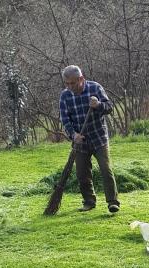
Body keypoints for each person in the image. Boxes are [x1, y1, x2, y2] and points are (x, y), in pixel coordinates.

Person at [59, 65, 120, 213]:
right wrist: (74, 135)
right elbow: (65, 120)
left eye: (72, 83)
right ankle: (89, 202)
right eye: (66, 83)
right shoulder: (65, 96)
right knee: (82, 173)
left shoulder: (95, 88)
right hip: (80, 141)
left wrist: (98, 104)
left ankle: (113, 202)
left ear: (81, 79)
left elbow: (109, 107)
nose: (69, 86)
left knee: (106, 170)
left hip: (99, 137)